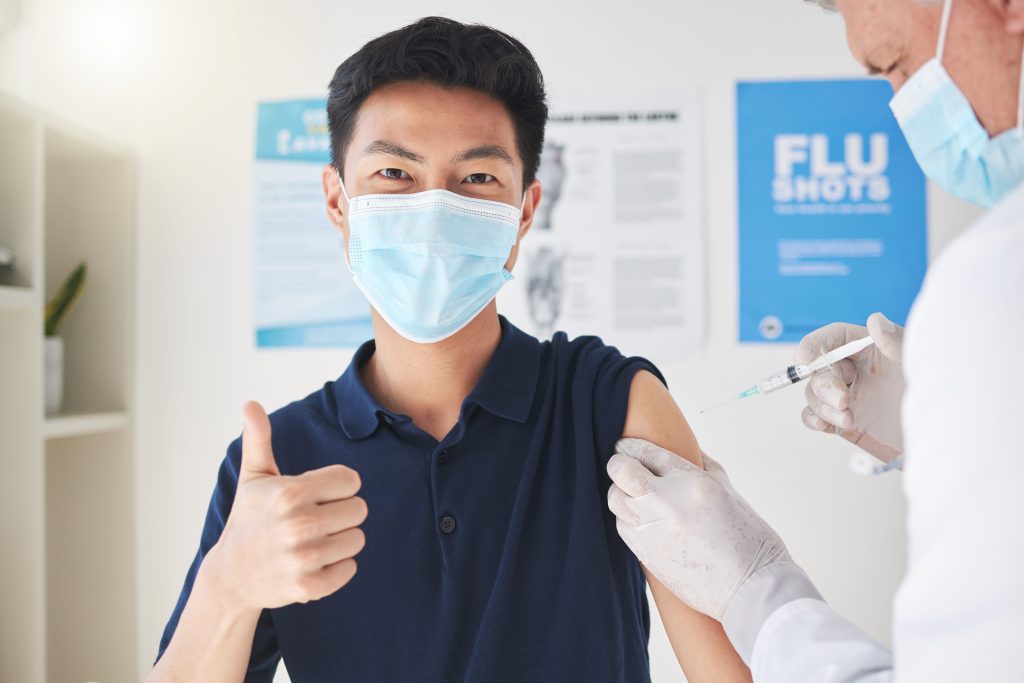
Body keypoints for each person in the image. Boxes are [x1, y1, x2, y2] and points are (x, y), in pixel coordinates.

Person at [148, 17, 753, 682]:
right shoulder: (277, 465)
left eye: (477, 179)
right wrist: (227, 587)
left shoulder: (609, 404)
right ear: (336, 200)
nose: (433, 208)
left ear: (525, 212)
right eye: (394, 172)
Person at [606, 0, 1024, 680]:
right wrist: (938, 423)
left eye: (899, 66)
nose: (902, 105)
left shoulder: (996, 277)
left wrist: (757, 586)